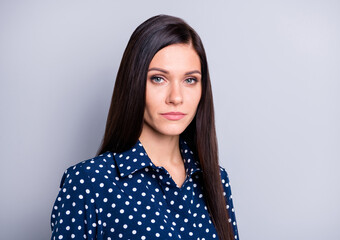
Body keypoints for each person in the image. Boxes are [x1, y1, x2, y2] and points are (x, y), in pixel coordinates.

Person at [50, 14, 239, 240]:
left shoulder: (216, 179)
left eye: (190, 80)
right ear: (134, 82)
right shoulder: (89, 183)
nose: (176, 97)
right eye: (159, 78)